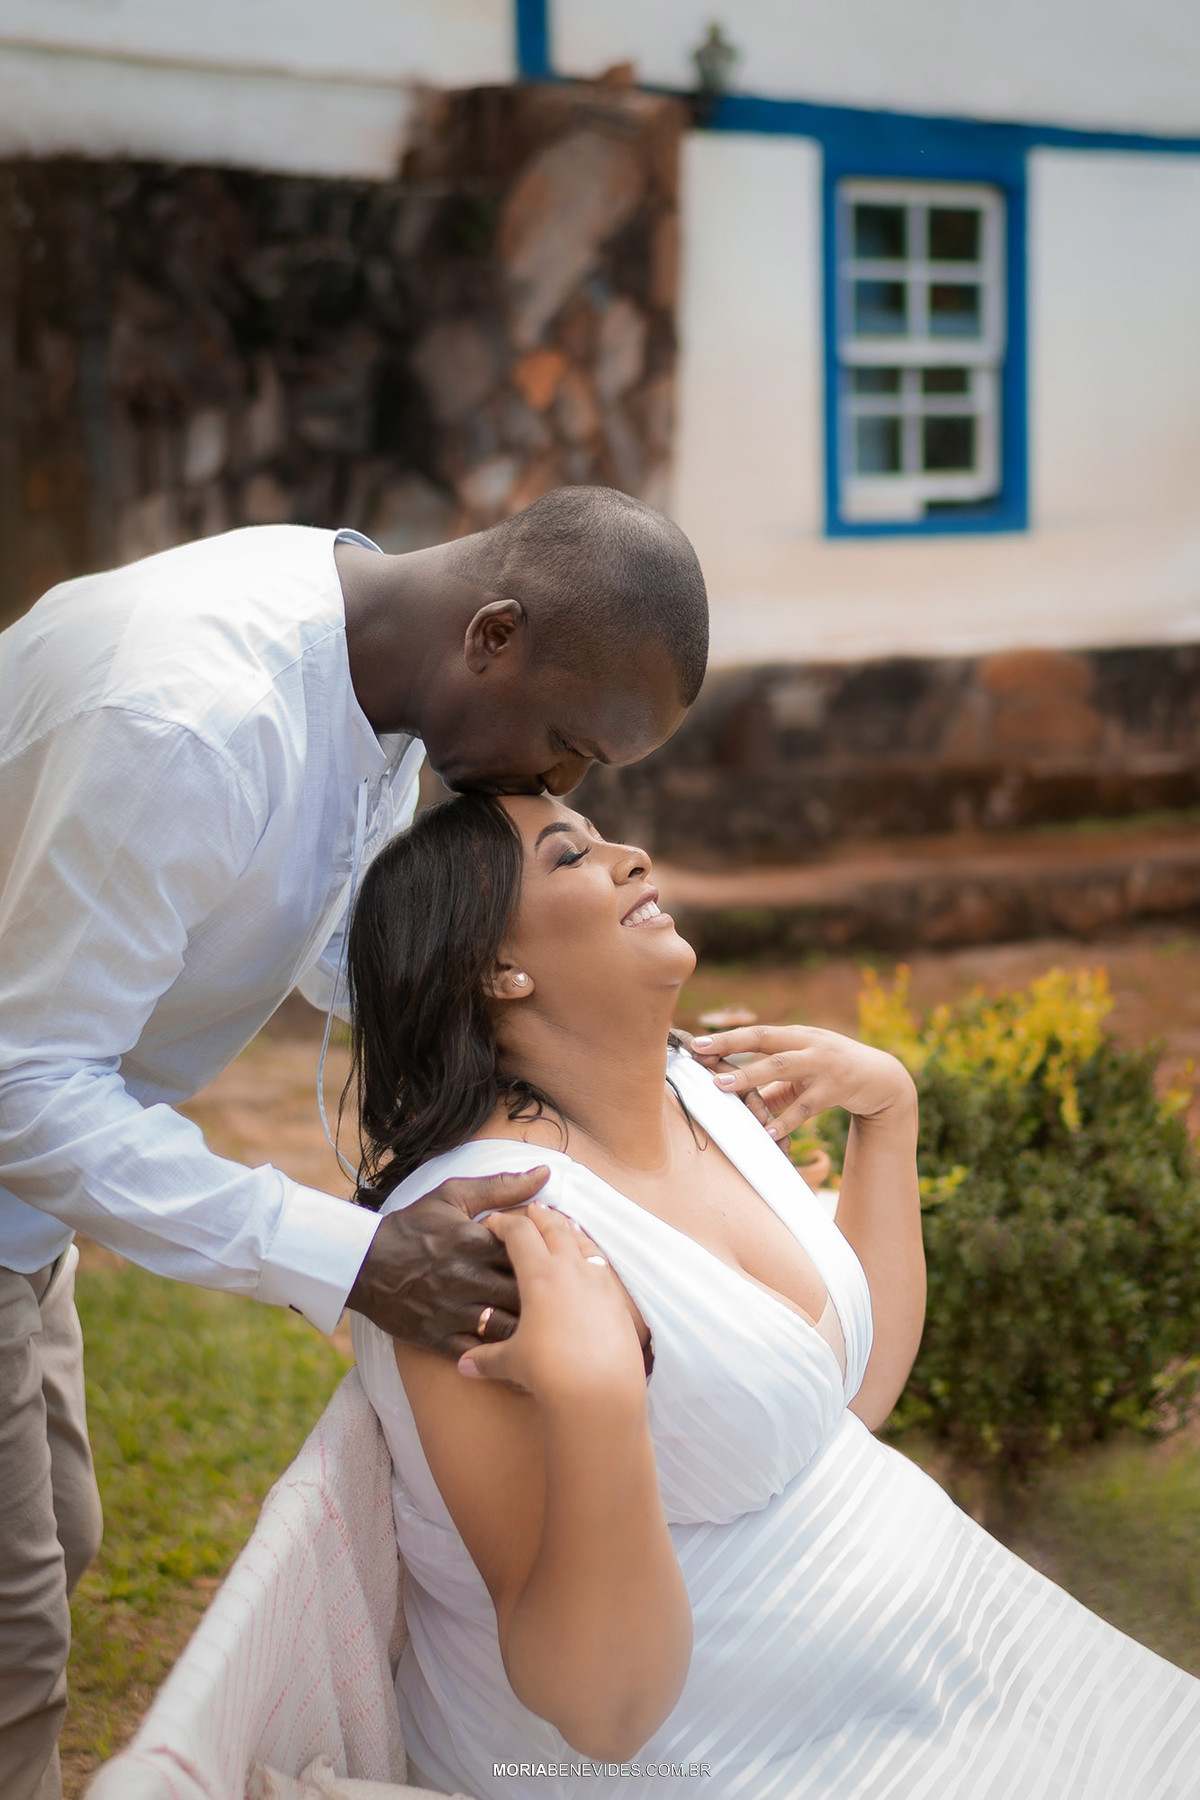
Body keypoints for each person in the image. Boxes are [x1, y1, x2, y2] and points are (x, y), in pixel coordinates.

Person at [0, 486, 709, 1800]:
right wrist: (355, 1256)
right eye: (567, 749)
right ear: (493, 633)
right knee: (15, 1635)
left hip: (24, 1224)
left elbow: (343, 948)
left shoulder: (377, 662)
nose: (553, 793)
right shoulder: (191, 724)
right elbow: (24, 1092)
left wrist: (635, 1067)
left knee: (62, 1535)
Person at [349, 792, 1200, 1800]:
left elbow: (843, 1405)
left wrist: (889, 1112)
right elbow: (598, 1712)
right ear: (495, 967)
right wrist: (599, 1402)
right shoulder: (487, 1233)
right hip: (731, 1754)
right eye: (570, 854)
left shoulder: (696, 1093)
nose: (631, 854)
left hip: (956, 1664)